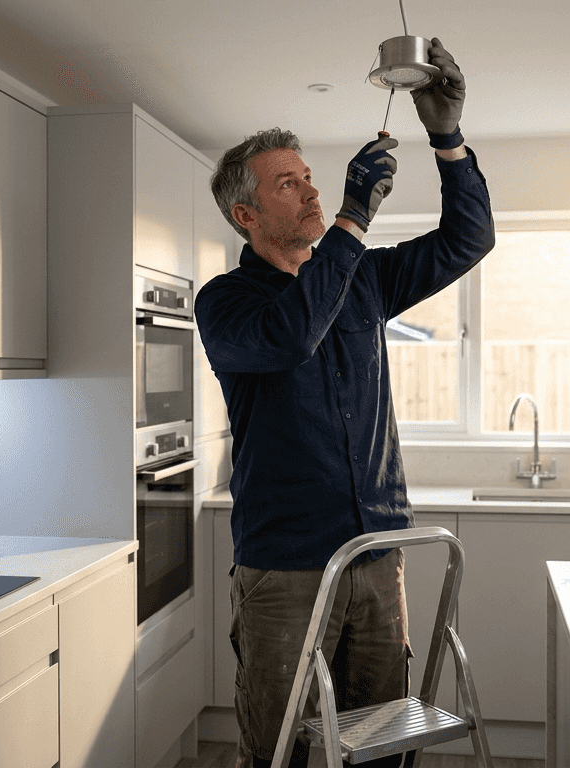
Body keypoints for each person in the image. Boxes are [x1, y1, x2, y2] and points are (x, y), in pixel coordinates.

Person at [195, 38, 494, 768]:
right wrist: (354, 220)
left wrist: (446, 139)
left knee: (382, 745)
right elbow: (294, 334)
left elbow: (470, 237)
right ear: (245, 215)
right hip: (287, 569)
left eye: (309, 178)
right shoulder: (226, 303)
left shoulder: (363, 278)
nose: (312, 191)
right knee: (283, 748)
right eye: (287, 185)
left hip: (376, 555)